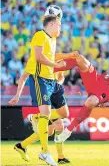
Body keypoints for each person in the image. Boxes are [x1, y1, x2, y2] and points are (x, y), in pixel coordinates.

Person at [19, 14, 77, 166]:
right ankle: (46, 152)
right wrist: (55, 65)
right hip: (40, 79)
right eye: (59, 25)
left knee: (61, 117)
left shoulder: (52, 39)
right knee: (50, 121)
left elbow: (52, 55)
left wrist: (67, 56)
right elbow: (38, 57)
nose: (60, 28)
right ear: (51, 24)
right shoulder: (40, 35)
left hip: (52, 81)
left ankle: (32, 125)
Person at [9, 71, 70, 164]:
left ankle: (21, 145)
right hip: (45, 93)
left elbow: (61, 77)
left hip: (54, 92)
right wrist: (17, 95)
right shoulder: (41, 62)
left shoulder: (59, 61)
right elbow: (25, 77)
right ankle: (36, 118)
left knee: (51, 130)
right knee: (57, 124)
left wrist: (57, 85)